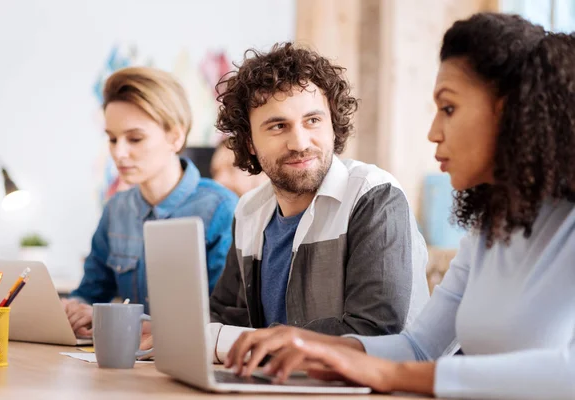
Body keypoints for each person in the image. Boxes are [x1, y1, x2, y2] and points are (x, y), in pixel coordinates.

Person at [224, 13, 575, 399]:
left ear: (510, 112)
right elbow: (419, 347)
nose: (433, 132)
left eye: (449, 108)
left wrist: (388, 374)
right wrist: (312, 347)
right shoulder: (489, 228)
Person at [205, 43, 429, 362]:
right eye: (278, 126)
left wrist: (219, 337)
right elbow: (224, 318)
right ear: (248, 142)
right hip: (277, 386)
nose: (299, 143)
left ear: (333, 124)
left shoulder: (373, 195)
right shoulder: (250, 210)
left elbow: (374, 331)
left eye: (312, 121)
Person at [63, 67, 238, 337]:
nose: (119, 152)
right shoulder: (117, 209)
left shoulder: (220, 208)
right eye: (112, 138)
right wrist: (75, 309)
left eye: (135, 138)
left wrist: (128, 324)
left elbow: (221, 317)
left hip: (189, 366)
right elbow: (90, 293)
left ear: (175, 137)